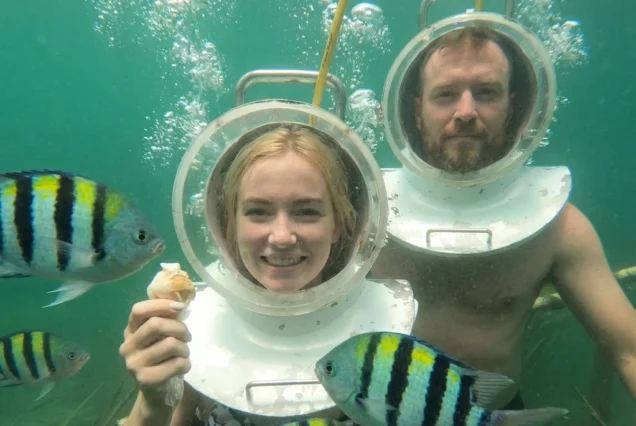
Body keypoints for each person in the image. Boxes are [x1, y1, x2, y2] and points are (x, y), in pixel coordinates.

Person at [371, 24, 636, 409]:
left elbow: (629, 350)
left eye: (486, 93)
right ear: (416, 109)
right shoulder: (365, 214)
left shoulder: (559, 228)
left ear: (514, 106)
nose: (465, 112)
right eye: (445, 95)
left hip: (493, 416)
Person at [118, 124, 362, 426]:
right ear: (230, 225)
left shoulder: (379, 323)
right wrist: (154, 402)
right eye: (258, 212)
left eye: (307, 211)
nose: (282, 237)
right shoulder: (191, 331)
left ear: (337, 224)